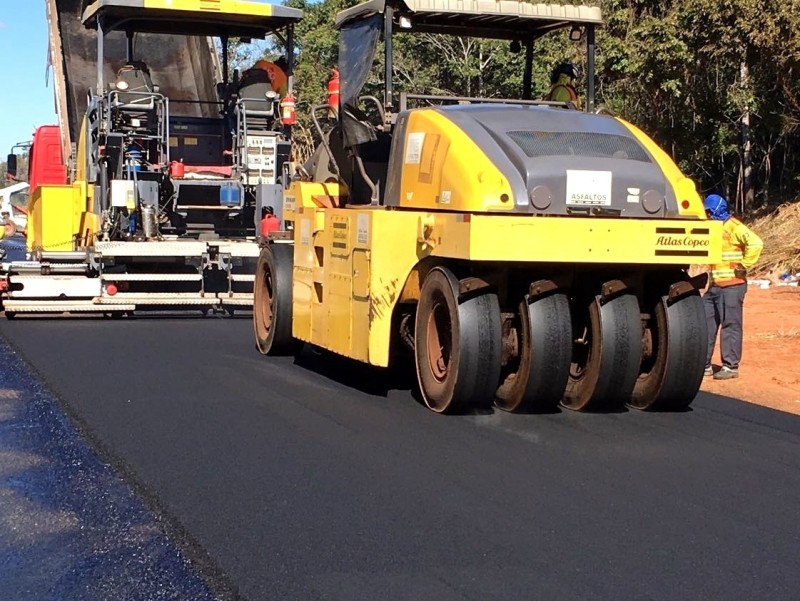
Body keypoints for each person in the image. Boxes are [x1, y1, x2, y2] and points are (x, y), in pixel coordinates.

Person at [702, 193, 763, 380]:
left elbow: (756, 243)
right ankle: (704, 365)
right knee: (705, 324)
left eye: (710, 212)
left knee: (730, 325)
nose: (708, 215)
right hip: (714, 286)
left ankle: (730, 366)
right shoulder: (713, 228)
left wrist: (744, 264)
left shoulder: (734, 226)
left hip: (732, 286)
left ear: (718, 210)